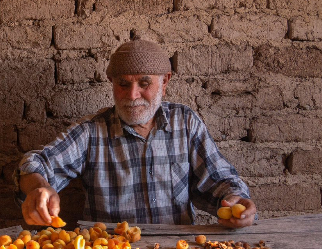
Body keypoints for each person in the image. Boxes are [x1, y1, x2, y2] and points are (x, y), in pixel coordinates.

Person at [16, 38, 257, 229]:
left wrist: (236, 201)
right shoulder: (92, 132)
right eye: (123, 84)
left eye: (144, 84)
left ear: (165, 82)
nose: (132, 95)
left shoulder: (184, 123)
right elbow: (33, 164)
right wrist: (39, 189)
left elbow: (218, 179)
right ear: (111, 82)